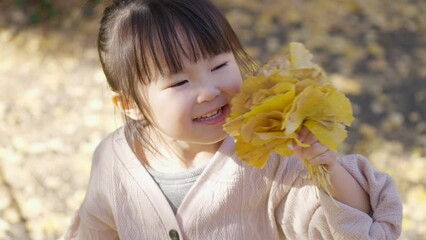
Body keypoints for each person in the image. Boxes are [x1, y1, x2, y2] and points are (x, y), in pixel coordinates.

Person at [65, 0, 402, 239]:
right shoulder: (112, 161)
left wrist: (328, 168)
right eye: (180, 82)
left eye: (219, 66)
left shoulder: (270, 157)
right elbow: (97, 230)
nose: (209, 91)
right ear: (130, 104)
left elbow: (359, 230)